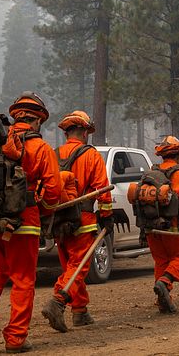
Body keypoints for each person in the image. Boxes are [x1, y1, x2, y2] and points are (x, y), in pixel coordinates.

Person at [0, 93, 60, 354]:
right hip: (24, 222)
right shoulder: (39, 147)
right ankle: (15, 339)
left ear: (16, 116)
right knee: (22, 279)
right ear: (37, 121)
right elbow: (53, 192)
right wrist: (42, 211)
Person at [41, 111, 114, 332]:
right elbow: (102, 188)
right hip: (83, 220)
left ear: (66, 133)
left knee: (71, 265)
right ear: (83, 132)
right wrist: (107, 215)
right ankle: (58, 301)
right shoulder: (90, 155)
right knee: (79, 266)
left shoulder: (53, 155)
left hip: (58, 221)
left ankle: (80, 312)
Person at [147, 136, 179, 314]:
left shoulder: (151, 172)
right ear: (178, 155)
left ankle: (163, 300)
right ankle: (165, 283)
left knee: (161, 260)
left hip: (152, 226)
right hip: (173, 225)